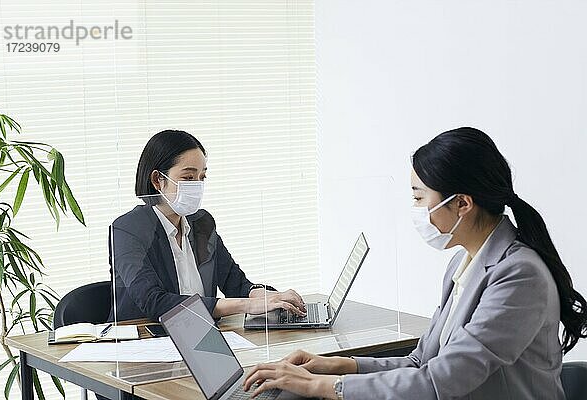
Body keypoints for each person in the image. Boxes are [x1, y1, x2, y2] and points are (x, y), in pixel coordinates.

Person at [242, 127, 587, 399]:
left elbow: (440, 380)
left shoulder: (519, 276)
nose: (417, 210)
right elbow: (420, 362)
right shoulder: (462, 264)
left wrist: (321, 386)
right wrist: (334, 366)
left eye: (419, 197)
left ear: (463, 204)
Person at [108, 130, 306, 322]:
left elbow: (235, 283)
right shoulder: (127, 229)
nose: (197, 185)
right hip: (146, 341)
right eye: (188, 178)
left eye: (202, 177)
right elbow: (154, 301)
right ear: (158, 180)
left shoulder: (202, 222)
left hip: (201, 332)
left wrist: (267, 297)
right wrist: (246, 305)